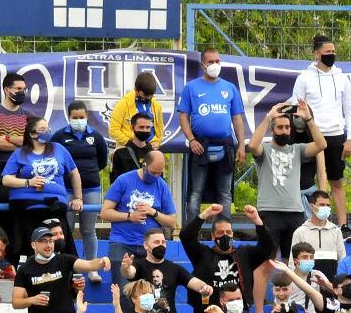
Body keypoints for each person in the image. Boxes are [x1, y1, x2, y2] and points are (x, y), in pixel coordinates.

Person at [247, 100, 327, 268]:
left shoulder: (297, 149)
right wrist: (269, 117)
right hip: (269, 213)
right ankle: (258, 297)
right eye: (280, 127)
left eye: (287, 127)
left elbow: (321, 144)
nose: (284, 131)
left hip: (294, 213)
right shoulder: (265, 150)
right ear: (273, 130)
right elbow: (253, 145)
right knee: (265, 265)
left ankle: (290, 295)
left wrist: (309, 119)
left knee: (292, 265)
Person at [291, 35, 351, 226]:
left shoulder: (342, 78)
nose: (332, 55)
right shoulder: (304, 78)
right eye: (328, 52)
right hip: (310, 136)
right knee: (306, 182)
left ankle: (343, 225)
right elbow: (297, 108)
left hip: (336, 136)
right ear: (317, 54)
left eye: (334, 52)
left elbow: (350, 109)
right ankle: (307, 222)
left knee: (336, 181)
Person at [0, 115, 82, 264]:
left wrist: (78, 197)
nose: (47, 132)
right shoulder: (20, 153)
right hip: (26, 207)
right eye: (42, 129)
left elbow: (74, 173)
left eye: (48, 129)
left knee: (61, 246)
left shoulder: (59, 149)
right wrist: (28, 182)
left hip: (55, 207)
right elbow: (6, 179)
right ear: (32, 134)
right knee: (29, 248)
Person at [178, 48, 247, 216]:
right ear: (203, 65)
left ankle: (224, 232)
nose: (215, 65)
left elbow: (237, 118)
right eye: (211, 62)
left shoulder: (230, 88)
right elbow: (183, 116)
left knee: (224, 193)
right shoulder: (191, 88)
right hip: (200, 146)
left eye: (217, 61)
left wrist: (241, 146)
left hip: (225, 146)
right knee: (195, 193)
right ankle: (191, 233)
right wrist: (192, 140)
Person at [100, 149, 178, 286]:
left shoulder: (162, 186)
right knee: (124, 291)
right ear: (144, 165)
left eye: (160, 173)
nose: (156, 176)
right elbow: (105, 213)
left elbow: (172, 222)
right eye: (153, 172)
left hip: (149, 247)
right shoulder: (124, 180)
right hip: (122, 242)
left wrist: (153, 212)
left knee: (151, 292)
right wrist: (130, 216)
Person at [53, 100, 110, 280]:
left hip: (91, 188)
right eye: (74, 117)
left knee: (88, 229)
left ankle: (92, 267)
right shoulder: (59, 136)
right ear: (68, 117)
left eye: (82, 117)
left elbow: (102, 161)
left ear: (87, 116)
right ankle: (65, 266)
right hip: (66, 189)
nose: (78, 120)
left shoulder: (96, 136)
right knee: (66, 228)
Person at [120, 228, 211, 313]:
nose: (161, 245)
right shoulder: (138, 265)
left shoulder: (174, 268)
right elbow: (129, 273)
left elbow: (193, 281)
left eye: (163, 242)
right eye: (156, 242)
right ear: (146, 245)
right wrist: (126, 267)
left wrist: (204, 287)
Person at [0, 72, 31, 208]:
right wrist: (22, 144)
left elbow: (32, 143)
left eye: (24, 89)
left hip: (22, 170)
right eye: (18, 89)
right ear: (7, 90)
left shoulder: (28, 115)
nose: (22, 92)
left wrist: (8, 137)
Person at [108, 72, 164, 149]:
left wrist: (157, 141)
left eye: (151, 96)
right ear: (138, 91)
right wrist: (129, 143)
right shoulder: (123, 104)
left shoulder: (156, 106)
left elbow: (160, 129)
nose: (149, 98)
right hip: (128, 150)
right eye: (146, 96)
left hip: (149, 150)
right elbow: (113, 130)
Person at [110, 112, 156, 182]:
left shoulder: (154, 153)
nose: (145, 130)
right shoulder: (120, 153)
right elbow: (115, 182)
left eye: (147, 127)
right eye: (141, 127)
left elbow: (159, 180)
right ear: (132, 128)